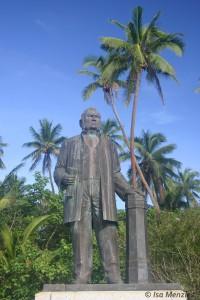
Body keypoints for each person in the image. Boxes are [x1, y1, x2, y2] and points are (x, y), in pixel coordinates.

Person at [54, 107, 133, 284]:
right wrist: (63, 177)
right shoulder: (69, 143)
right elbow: (58, 168)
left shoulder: (109, 144)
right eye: (90, 116)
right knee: (80, 234)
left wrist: (128, 191)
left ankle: (113, 276)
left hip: (102, 190)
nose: (94, 119)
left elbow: (115, 173)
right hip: (78, 190)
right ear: (81, 121)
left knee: (108, 232)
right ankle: (82, 276)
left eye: (97, 117)